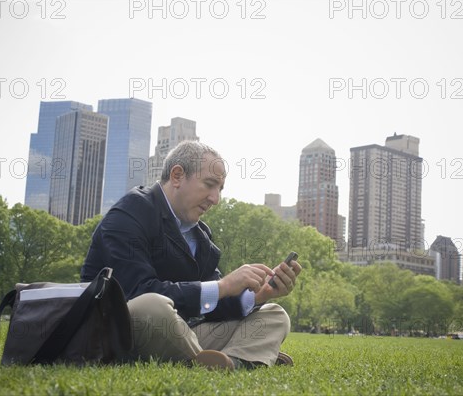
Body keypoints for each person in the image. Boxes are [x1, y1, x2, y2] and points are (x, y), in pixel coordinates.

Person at [81, 140, 302, 370]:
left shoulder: (200, 235)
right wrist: (223, 286)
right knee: (152, 306)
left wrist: (259, 295)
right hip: (121, 332)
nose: (216, 199)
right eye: (209, 184)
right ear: (177, 176)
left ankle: (230, 362)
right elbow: (135, 292)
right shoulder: (130, 213)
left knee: (274, 315)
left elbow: (213, 305)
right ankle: (243, 357)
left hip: (181, 332)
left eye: (220, 189)